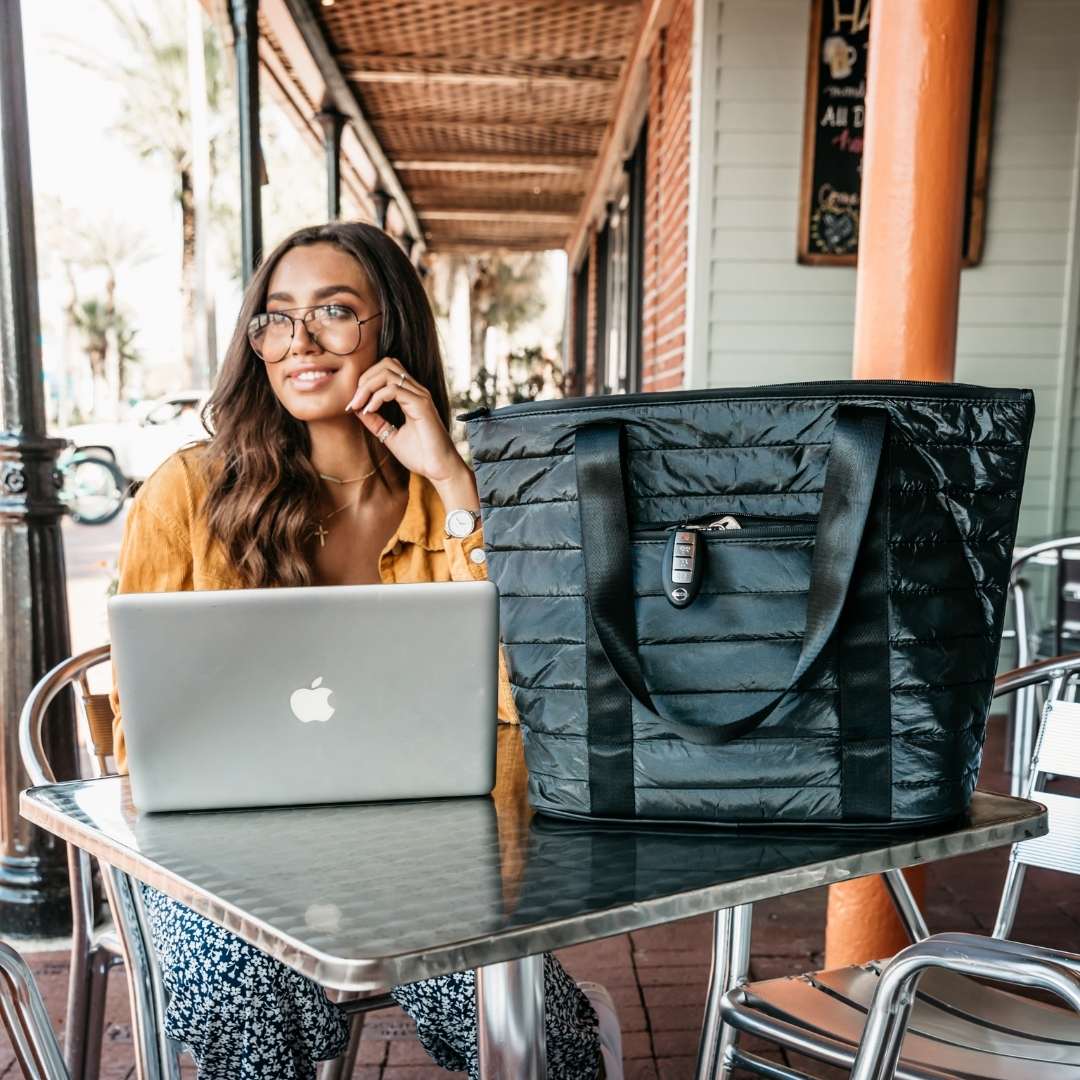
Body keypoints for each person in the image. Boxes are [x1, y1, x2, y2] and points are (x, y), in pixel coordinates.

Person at [109, 222, 622, 1080]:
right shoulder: (189, 491)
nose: (299, 343)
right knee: (242, 994)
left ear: (392, 331)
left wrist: (453, 481)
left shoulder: (448, 492)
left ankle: (564, 1022)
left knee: (523, 1030)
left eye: (335, 312)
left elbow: (524, 694)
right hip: (219, 845)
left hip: (424, 839)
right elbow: (142, 727)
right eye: (275, 319)